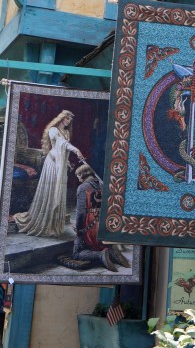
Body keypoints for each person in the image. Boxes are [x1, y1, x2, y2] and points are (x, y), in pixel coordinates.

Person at [13, 110, 84, 238]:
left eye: (70, 120)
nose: (68, 121)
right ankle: (44, 223)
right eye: (67, 118)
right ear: (61, 118)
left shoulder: (66, 132)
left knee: (57, 192)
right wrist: (76, 150)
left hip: (60, 165)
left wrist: (67, 162)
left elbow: (63, 151)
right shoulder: (53, 130)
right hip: (52, 164)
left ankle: (52, 224)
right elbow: (62, 144)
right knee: (50, 191)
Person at [72, 164, 130, 270]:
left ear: (82, 174)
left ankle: (100, 255)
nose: (78, 178)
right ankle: (112, 253)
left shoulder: (82, 188)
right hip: (104, 224)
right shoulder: (103, 185)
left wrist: (78, 228)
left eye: (78, 175)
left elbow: (81, 212)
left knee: (76, 253)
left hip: (90, 225)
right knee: (99, 245)